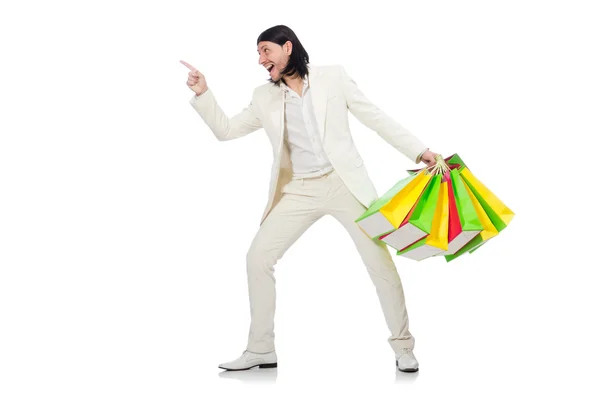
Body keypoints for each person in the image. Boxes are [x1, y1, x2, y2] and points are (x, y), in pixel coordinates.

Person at [181, 25, 439, 373]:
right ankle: (260, 349)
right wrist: (203, 93)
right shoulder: (264, 96)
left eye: (265, 51)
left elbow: (375, 117)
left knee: (380, 265)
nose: (260, 60)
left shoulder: (333, 78)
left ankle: (403, 346)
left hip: (344, 184)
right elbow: (226, 130)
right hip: (299, 189)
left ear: (287, 47)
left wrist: (419, 150)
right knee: (258, 257)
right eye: (258, 54)